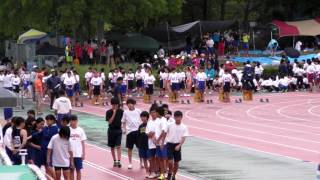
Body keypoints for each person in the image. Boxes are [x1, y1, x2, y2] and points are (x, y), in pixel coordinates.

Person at [166, 111, 189, 180]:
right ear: (174, 117)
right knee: (170, 161)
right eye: (176, 117)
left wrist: (179, 145)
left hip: (177, 145)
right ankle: (169, 172)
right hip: (169, 144)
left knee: (176, 162)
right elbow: (165, 133)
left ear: (181, 117)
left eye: (179, 117)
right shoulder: (170, 125)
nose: (177, 118)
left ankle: (174, 175)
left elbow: (183, 137)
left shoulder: (184, 127)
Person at [121, 98, 141, 169]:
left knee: (140, 148)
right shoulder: (125, 112)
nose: (129, 105)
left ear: (133, 104)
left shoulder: (138, 111)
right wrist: (123, 129)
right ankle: (130, 163)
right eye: (128, 104)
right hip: (129, 132)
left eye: (131, 103)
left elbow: (142, 120)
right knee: (130, 148)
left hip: (138, 132)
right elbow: (123, 121)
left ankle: (141, 162)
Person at [106, 98, 123, 168]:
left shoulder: (121, 111)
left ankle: (119, 161)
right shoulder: (108, 112)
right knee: (112, 147)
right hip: (111, 130)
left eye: (116, 105)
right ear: (112, 104)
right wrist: (114, 113)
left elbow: (124, 120)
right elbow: (109, 122)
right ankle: (114, 161)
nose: (115, 106)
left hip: (118, 130)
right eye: (114, 105)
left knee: (118, 146)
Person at [69, 115, 86, 180]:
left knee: (78, 170)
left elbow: (83, 142)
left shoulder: (80, 130)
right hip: (69, 154)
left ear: (77, 121)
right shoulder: (68, 130)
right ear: (70, 121)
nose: (73, 122)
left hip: (78, 154)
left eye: (75, 121)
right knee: (71, 170)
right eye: (72, 121)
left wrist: (83, 153)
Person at [155, 106, 168, 180]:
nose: (155, 113)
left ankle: (165, 173)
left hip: (163, 143)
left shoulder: (163, 120)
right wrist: (155, 139)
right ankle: (162, 174)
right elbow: (156, 131)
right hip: (157, 143)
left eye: (156, 112)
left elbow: (164, 132)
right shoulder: (157, 120)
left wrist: (161, 141)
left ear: (158, 112)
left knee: (164, 158)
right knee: (159, 158)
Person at [146, 105, 158, 179]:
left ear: (157, 113)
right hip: (150, 143)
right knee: (151, 158)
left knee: (159, 159)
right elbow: (147, 133)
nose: (153, 114)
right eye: (151, 113)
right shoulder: (149, 122)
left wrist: (153, 133)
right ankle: (153, 172)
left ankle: (159, 172)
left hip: (158, 143)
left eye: (154, 112)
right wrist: (150, 134)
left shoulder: (159, 121)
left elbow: (159, 132)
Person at [137, 111, 150, 177]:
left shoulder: (150, 125)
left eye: (144, 117)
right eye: (141, 117)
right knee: (144, 159)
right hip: (142, 145)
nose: (142, 118)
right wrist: (138, 144)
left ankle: (152, 170)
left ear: (147, 117)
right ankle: (147, 171)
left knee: (150, 159)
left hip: (149, 146)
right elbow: (139, 135)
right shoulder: (141, 126)